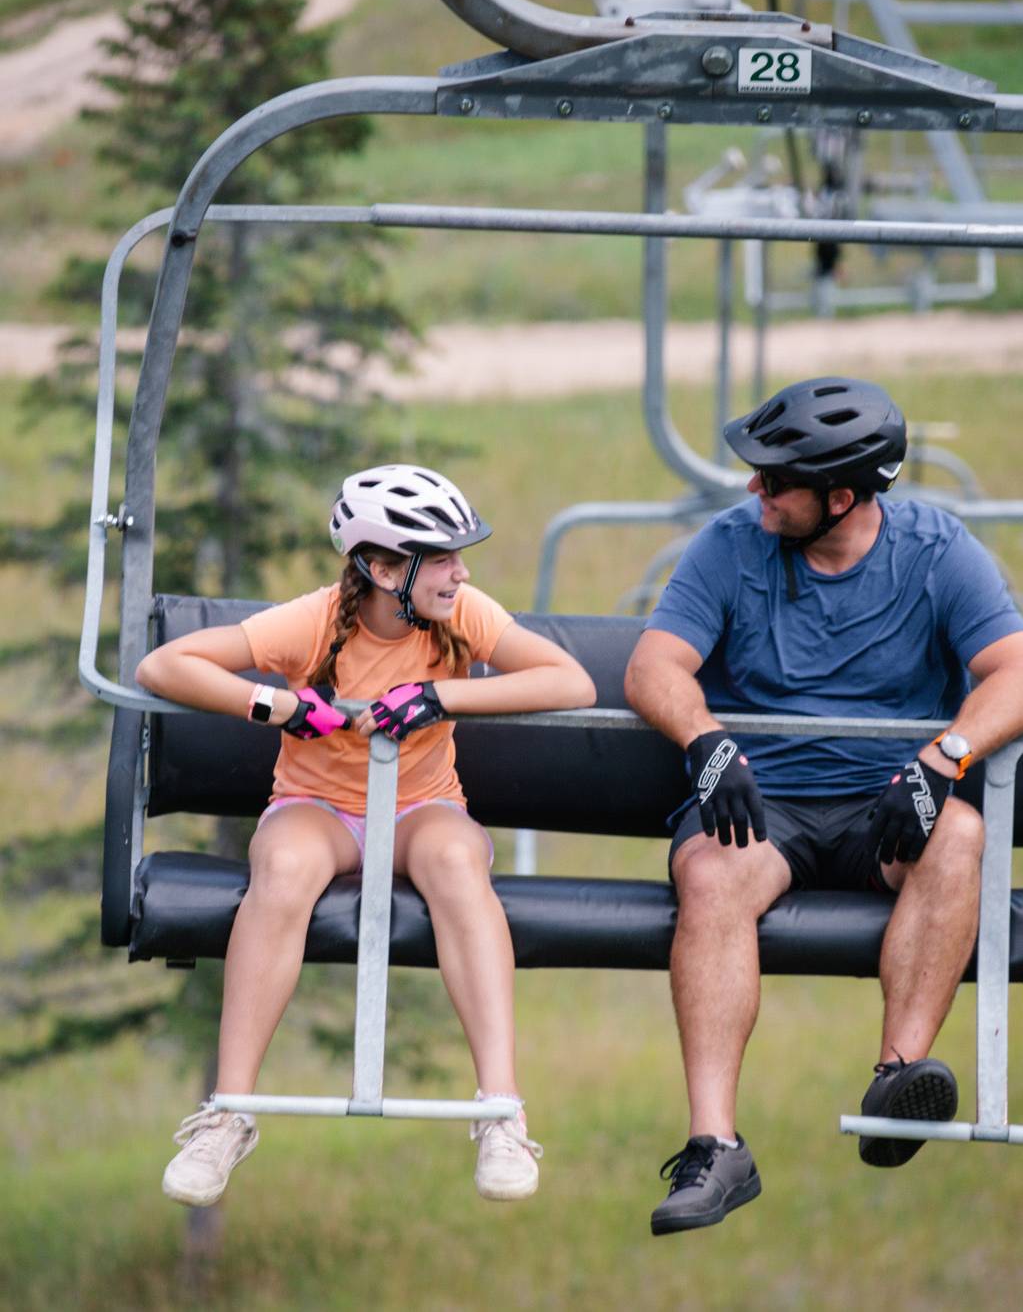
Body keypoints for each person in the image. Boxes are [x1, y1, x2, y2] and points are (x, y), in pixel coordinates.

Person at [624, 377, 1023, 1235]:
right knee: (710, 872)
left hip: (886, 809)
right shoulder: (730, 546)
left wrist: (944, 755)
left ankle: (896, 1078)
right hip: (760, 804)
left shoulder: (934, 549)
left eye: (774, 481)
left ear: (840, 497)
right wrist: (704, 739)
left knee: (958, 837)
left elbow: (1015, 667)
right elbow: (653, 665)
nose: (752, 491)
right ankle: (714, 1144)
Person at [137, 463, 596, 1208]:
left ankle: (501, 1112)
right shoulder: (314, 622)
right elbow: (164, 664)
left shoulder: (461, 613)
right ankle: (228, 1112)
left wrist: (440, 694)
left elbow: (569, 682)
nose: (460, 571)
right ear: (382, 567)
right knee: (282, 869)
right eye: (441, 558)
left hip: (421, 808)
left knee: (454, 860)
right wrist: (277, 706)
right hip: (319, 806)